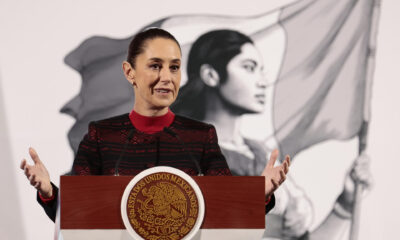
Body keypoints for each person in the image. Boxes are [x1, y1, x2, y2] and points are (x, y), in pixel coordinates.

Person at [20, 28, 290, 223]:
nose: (166, 77)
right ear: (130, 72)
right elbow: (76, 215)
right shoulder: (101, 136)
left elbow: (228, 216)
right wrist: (48, 191)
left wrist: (261, 195)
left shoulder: (202, 137)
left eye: (174, 67)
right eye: (154, 66)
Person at [171, 30, 372, 239]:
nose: (262, 81)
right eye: (249, 68)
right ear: (211, 75)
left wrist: (345, 205)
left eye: (261, 70)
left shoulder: (263, 157)